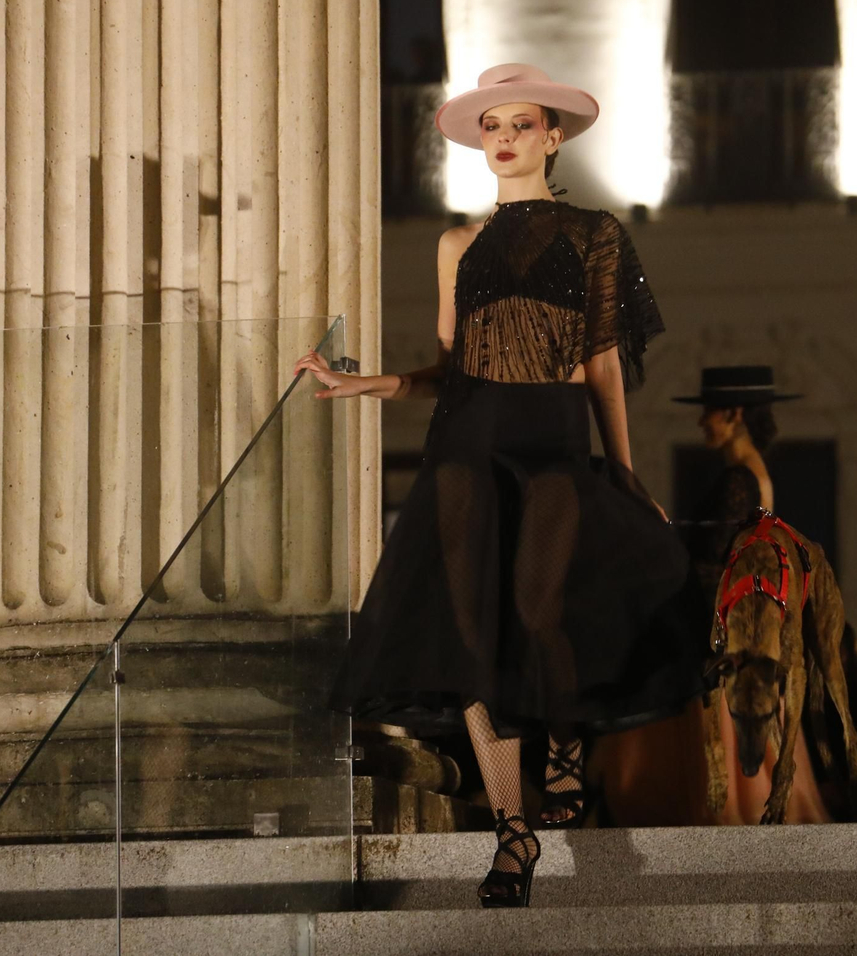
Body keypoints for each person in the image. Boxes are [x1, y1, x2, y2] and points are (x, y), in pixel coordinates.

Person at [297, 64, 703, 907]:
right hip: (464, 448)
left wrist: (624, 473)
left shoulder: (595, 234)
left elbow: (602, 365)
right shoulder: (456, 244)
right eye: (492, 126)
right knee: (470, 634)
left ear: (552, 137)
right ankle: (513, 832)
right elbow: (450, 368)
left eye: (522, 124)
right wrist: (367, 383)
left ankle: (565, 742)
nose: (506, 137)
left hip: (552, 442)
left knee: (538, 608)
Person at [594, 367, 831, 825]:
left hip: (716, 638)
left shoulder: (741, 479)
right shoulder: (755, 475)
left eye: (709, 412)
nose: (702, 421)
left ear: (734, 414)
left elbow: (715, 564)